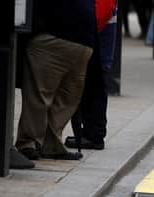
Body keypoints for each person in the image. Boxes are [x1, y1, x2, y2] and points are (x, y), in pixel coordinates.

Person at [15, 0, 96, 162]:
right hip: (55, 35)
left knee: (66, 99)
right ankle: (29, 144)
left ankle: (50, 144)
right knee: (41, 96)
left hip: (81, 40)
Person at [66, 0, 118, 151]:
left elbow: (102, 10)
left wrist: (85, 31)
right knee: (93, 87)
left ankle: (93, 135)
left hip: (98, 41)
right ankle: (90, 133)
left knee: (94, 87)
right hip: (98, 39)